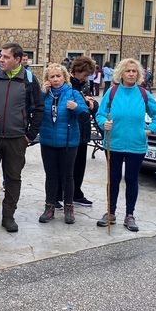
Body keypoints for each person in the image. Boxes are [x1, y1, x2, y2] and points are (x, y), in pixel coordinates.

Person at [0, 42, 43, 233]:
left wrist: (29, 136)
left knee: (13, 178)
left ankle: (8, 216)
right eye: (1, 56)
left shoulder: (29, 80)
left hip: (16, 138)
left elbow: (38, 109)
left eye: (5, 57)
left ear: (18, 59)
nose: (0, 60)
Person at [96, 58, 156, 232]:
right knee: (113, 179)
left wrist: (150, 130)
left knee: (132, 180)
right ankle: (110, 212)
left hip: (136, 145)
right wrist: (104, 123)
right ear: (121, 73)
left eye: (134, 71)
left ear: (138, 74)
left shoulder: (143, 94)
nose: (132, 74)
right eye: (128, 71)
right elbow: (100, 114)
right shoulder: (112, 92)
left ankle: (130, 215)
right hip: (114, 144)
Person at [38, 64, 88, 224]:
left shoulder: (73, 94)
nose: (55, 79)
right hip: (47, 141)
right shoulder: (45, 95)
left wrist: (77, 108)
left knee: (68, 176)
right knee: (51, 176)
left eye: (58, 76)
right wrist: (41, 93)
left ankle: (68, 207)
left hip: (68, 141)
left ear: (64, 77)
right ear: (47, 80)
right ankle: (49, 207)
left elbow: (85, 115)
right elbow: (33, 108)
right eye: (51, 77)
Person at [67, 56, 98, 208]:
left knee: (80, 164)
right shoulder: (67, 83)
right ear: (77, 71)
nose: (86, 78)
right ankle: (64, 192)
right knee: (68, 165)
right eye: (85, 74)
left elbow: (91, 102)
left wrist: (93, 103)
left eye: (88, 75)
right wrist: (84, 101)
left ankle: (77, 193)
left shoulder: (85, 84)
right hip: (70, 129)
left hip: (83, 129)